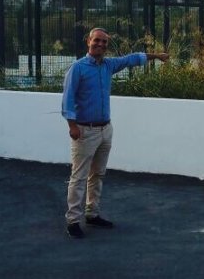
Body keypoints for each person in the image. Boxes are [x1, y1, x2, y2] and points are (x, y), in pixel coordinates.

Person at [60, 28, 169, 239]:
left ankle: (92, 213)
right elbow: (67, 99)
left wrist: (156, 56)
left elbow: (130, 59)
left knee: (98, 174)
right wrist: (72, 126)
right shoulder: (78, 68)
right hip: (84, 130)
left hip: (105, 129)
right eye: (96, 41)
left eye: (104, 42)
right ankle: (73, 220)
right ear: (89, 42)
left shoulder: (108, 66)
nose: (100, 45)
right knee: (79, 176)